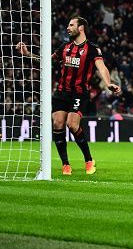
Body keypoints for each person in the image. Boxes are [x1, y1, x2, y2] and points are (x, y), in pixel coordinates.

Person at [16, 16, 121, 175]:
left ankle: (88, 160)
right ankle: (65, 164)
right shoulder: (65, 47)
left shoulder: (92, 49)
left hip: (79, 93)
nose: (67, 28)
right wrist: (27, 54)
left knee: (72, 125)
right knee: (58, 123)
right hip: (62, 92)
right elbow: (46, 61)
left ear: (81, 28)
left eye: (71, 25)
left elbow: (102, 67)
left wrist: (108, 83)